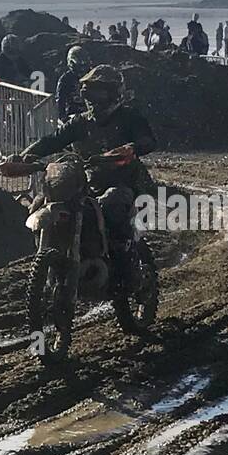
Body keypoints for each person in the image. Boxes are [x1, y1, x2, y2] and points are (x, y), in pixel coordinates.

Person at [12, 66, 159, 288]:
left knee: (113, 204)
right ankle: (52, 257)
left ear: (114, 93)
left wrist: (132, 147)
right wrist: (24, 156)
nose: (93, 100)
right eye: (88, 93)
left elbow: (148, 140)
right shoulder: (80, 122)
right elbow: (53, 140)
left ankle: (127, 270)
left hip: (124, 181)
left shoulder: (130, 117)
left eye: (99, 93)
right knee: (41, 202)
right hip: (85, 182)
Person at [56, 46, 90, 120]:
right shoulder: (65, 79)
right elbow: (60, 100)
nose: (82, 69)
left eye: (84, 65)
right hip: (73, 115)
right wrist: (63, 117)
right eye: (79, 65)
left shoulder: (91, 75)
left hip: (91, 114)